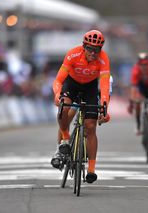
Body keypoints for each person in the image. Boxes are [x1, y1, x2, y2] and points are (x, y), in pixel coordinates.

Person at [51, 30, 111, 184]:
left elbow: (104, 85)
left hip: (90, 87)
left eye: (96, 50)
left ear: (100, 50)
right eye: (90, 48)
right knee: (65, 109)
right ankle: (65, 139)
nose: (93, 52)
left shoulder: (103, 59)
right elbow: (58, 80)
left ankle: (91, 169)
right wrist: (58, 94)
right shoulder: (73, 54)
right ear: (84, 46)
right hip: (72, 83)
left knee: (90, 126)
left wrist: (104, 106)